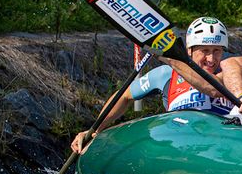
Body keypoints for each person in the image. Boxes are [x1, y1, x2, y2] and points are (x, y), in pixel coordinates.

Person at [71, 17, 232, 153]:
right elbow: (125, 95)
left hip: (221, 143)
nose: (211, 59)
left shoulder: (230, 73)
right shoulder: (165, 74)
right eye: (205, 51)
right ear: (189, 50)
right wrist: (95, 130)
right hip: (182, 145)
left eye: (217, 51)